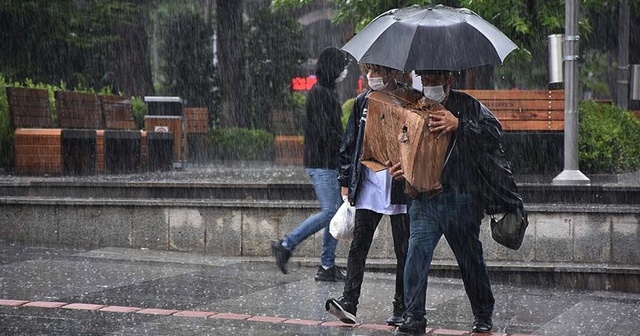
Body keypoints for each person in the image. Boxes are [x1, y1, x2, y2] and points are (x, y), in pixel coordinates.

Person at [391, 70, 501, 334]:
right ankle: (414, 316)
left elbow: (494, 134)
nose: (429, 84)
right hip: (424, 198)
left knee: (469, 258)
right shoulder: (412, 107)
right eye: (425, 78)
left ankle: (483, 313)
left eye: (435, 78)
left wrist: (460, 124)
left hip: (461, 196)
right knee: (416, 254)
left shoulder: (468, 105)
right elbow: (398, 144)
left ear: (449, 79)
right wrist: (397, 166)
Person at [325, 64, 415, 326]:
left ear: (393, 73)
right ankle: (349, 302)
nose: (372, 76)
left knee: (404, 249)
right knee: (359, 245)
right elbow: (349, 142)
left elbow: (418, 140)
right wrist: (345, 180)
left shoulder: (409, 101)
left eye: (377, 70)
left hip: (399, 186)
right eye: (370, 70)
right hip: (368, 184)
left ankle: (401, 306)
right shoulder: (362, 102)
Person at [270, 47, 349, 282]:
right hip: (322, 163)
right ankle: (286, 244)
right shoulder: (319, 93)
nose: (343, 72)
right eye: (341, 67)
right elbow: (326, 131)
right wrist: (346, 145)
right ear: (332, 68)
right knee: (330, 212)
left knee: (334, 214)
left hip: (329, 162)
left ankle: (327, 265)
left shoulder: (327, 91)